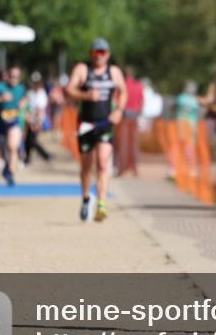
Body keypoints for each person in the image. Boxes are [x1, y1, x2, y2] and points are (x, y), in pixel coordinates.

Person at [65, 38, 127, 223]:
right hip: (85, 125)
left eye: (102, 52)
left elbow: (123, 91)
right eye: (95, 52)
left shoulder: (114, 72)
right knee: (86, 166)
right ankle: (86, 198)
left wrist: (119, 110)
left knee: (102, 163)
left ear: (108, 54)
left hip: (105, 123)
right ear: (91, 54)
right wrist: (86, 95)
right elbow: (69, 90)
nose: (99, 56)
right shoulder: (82, 70)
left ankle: (102, 203)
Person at [0, 66, 27, 186]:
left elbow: (25, 98)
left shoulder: (21, 88)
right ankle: (0, 168)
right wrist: (1, 98)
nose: (14, 79)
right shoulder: (0, 87)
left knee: (12, 147)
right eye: (12, 76)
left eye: (17, 77)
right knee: (1, 150)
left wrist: (23, 103)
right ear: (8, 76)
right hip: (1, 123)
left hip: (14, 122)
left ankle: (10, 173)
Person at [117, 65, 144, 177]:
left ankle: (122, 168)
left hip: (124, 115)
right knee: (134, 144)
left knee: (122, 143)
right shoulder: (139, 85)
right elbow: (142, 101)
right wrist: (138, 111)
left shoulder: (122, 85)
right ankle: (134, 168)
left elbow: (117, 100)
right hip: (134, 115)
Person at [24, 73, 51, 164]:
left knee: (32, 140)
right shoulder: (30, 93)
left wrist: (38, 122)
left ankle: (45, 155)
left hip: (36, 119)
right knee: (28, 139)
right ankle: (27, 158)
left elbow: (40, 109)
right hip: (29, 119)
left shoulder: (41, 94)